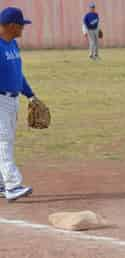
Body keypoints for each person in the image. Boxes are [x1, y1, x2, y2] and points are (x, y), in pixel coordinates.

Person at [0, 7, 39, 201]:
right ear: (12, 25)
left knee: (5, 140)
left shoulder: (12, 44)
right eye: (21, 25)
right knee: (4, 141)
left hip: (11, 99)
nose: (23, 28)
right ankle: (12, 185)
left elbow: (17, 73)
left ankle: (1, 183)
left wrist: (30, 95)